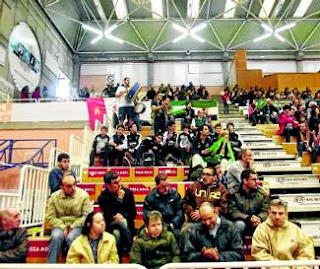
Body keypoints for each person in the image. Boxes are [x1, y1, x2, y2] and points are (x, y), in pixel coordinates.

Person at [46, 174, 93, 263]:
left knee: (71, 238)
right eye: (68, 186)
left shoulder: (83, 195)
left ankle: (76, 264)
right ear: (61, 187)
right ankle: (51, 265)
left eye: (74, 184)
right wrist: (63, 227)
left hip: (78, 224)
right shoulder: (54, 197)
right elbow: (50, 216)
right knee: (56, 237)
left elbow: (87, 216)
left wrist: (73, 226)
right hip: (60, 225)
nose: (73, 188)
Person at [98, 171, 136, 261]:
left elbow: (133, 214)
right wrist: (119, 199)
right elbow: (108, 216)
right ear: (108, 185)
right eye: (116, 183)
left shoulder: (128, 193)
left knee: (120, 228)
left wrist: (123, 216)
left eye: (120, 181)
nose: (119, 184)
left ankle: (120, 259)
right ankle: (130, 251)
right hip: (111, 226)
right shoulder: (103, 197)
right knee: (116, 232)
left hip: (127, 225)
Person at [228, 169, 269, 238]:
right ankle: (238, 248)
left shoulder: (262, 193)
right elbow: (233, 212)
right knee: (239, 225)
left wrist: (259, 218)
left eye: (257, 179)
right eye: (253, 180)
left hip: (257, 222)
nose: (257, 182)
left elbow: (265, 211)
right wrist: (248, 218)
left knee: (265, 225)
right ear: (245, 181)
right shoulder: (234, 193)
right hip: (242, 221)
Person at [143, 174, 185, 238]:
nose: (166, 188)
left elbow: (179, 211)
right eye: (163, 186)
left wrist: (173, 223)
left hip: (174, 225)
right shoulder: (150, 197)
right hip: (157, 225)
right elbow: (147, 215)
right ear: (157, 185)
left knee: (179, 234)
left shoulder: (174, 194)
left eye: (168, 185)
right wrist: (160, 225)